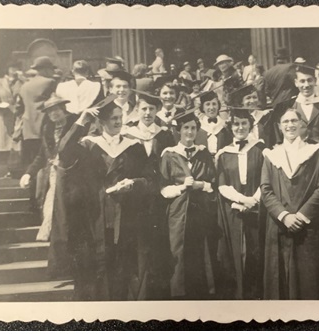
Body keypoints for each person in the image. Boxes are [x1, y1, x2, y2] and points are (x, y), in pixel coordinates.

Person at [58, 98, 154, 301]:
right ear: (101, 122)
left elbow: (150, 179)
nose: (118, 122)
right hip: (96, 217)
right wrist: (81, 120)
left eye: (120, 117)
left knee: (122, 269)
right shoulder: (88, 145)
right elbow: (64, 152)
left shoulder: (133, 146)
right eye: (113, 118)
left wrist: (134, 183)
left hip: (125, 217)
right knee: (98, 268)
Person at [260, 108, 319, 300]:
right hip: (280, 226)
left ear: (302, 124)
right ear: (279, 126)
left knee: (311, 280)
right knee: (281, 280)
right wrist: (285, 216)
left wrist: (300, 216)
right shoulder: (270, 156)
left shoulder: (315, 152)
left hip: (308, 225)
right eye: (286, 122)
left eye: (294, 120)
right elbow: (266, 190)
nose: (290, 125)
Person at [122, 91, 176, 299]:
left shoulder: (164, 135)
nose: (147, 113)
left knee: (159, 245)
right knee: (138, 245)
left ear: (157, 111)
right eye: (143, 108)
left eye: (151, 109)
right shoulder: (128, 135)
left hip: (159, 197)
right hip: (135, 199)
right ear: (137, 110)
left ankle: (158, 293)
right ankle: (139, 293)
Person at [159, 110, 217, 300]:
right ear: (179, 131)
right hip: (178, 211)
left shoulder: (204, 153)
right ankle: (179, 294)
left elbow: (213, 182)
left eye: (193, 128)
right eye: (186, 128)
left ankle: (201, 292)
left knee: (201, 250)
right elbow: (162, 187)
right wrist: (182, 187)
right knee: (179, 249)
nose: (190, 132)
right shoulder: (169, 155)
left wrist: (202, 185)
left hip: (201, 211)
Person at [19, 95, 77, 278]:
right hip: (52, 178)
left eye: (56, 109)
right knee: (53, 218)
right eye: (50, 111)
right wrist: (28, 172)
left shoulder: (75, 125)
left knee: (66, 221)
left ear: (63, 108)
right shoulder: (48, 129)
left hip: (72, 178)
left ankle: (68, 266)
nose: (54, 114)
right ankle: (60, 267)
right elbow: (41, 156)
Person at [215, 108, 266, 300]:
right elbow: (221, 185)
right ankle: (238, 295)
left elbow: (266, 180)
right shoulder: (223, 154)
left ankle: (256, 293)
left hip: (258, 207)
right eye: (236, 124)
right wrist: (243, 200)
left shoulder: (261, 149)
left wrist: (253, 200)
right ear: (230, 127)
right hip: (233, 209)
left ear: (250, 125)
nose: (240, 127)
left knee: (256, 249)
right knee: (236, 251)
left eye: (244, 123)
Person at [16, 56, 57, 167]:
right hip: (44, 126)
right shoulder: (51, 82)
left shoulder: (24, 86)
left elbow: (18, 108)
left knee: (32, 161)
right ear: (45, 69)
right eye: (51, 69)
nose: (52, 72)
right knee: (45, 160)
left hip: (28, 129)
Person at [0, 60, 23, 156]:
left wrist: (22, 79)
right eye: (12, 68)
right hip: (3, 116)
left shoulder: (21, 82)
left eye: (17, 68)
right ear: (7, 69)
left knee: (16, 148)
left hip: (17, 117)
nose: (15, 70)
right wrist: (0, 104)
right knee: (2, 147)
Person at [194, 91, 232, 157]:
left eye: (214, 104)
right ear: (202, 107)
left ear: (218, 106)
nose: (211, 108)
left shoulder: (225, 126)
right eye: (207, 104)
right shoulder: (197, 127)